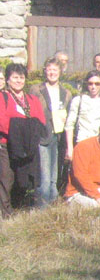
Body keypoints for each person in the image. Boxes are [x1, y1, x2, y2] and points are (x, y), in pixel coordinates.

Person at [0, 63, 45, 213]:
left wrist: (27, 133)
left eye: (21, 77)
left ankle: (20, 209)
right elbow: (3, 121)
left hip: (28, 147)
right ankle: (6, 213)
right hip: (8, 145)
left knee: (24, 180)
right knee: (7, 179)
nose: (19, 81)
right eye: (15, 77)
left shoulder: (32, 100)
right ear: (8, 80)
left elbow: (40, 121)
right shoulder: (3, 97)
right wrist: (22, 130)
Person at [28, 58, 72, 206]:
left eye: (55, 69)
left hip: (58, 138)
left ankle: (52, 210)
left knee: (55, 177)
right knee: (45, 178)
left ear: (60, 72)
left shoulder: (66, 93)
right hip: (42, 136)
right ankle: (41, 209)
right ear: (45, 71)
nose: (52, 72)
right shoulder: (36, 90)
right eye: (49, 69)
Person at [65, 70, 100, 162]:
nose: (93, 87)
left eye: (97, 84)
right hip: (83, 143)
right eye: (90, 83)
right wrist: (70, 148)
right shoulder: (78, 100)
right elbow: (69, 125)